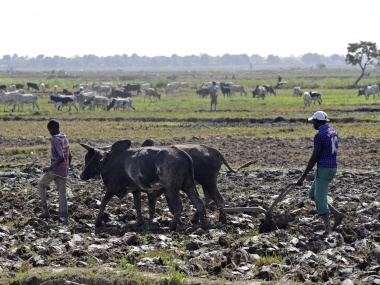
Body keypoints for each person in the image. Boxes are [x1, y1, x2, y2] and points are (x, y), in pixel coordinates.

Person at [296, 111, 344, 234]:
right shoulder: (333, 131)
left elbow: (314, 157)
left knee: (321, 199)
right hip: (332, 167)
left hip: (324, 169)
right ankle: (336, 214)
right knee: (313, 194)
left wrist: (303, 176)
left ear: (318, 121)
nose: (313, 124)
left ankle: (327, 229)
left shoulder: (319, 135)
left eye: (313, 122)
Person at [37, 119, 71, 225]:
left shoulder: (55, 139)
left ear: (51, 128)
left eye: (49, 129)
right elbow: (69, 155)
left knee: (41, 185)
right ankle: (63, 214)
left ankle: (45, 211)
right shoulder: (64, 137)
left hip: (55, 170)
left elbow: (60, 156)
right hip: (64, 170)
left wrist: (50, 167)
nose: (49, 132)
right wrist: (67, 167)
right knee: (62, 192)